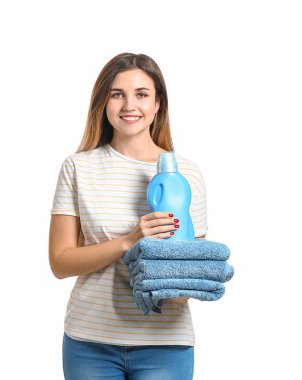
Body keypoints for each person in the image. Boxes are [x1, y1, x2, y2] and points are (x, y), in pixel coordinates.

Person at [49, 52, 208, 380]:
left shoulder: (187, 173)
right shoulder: (78, 167)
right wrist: (130, 241)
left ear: (158, 103)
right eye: (117, 94)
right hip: (89, 342)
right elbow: (60, 263)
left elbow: (193, 272)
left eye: (141, 94)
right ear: (103, 102)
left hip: (166, 342)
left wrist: (168, 278)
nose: (128, 106)